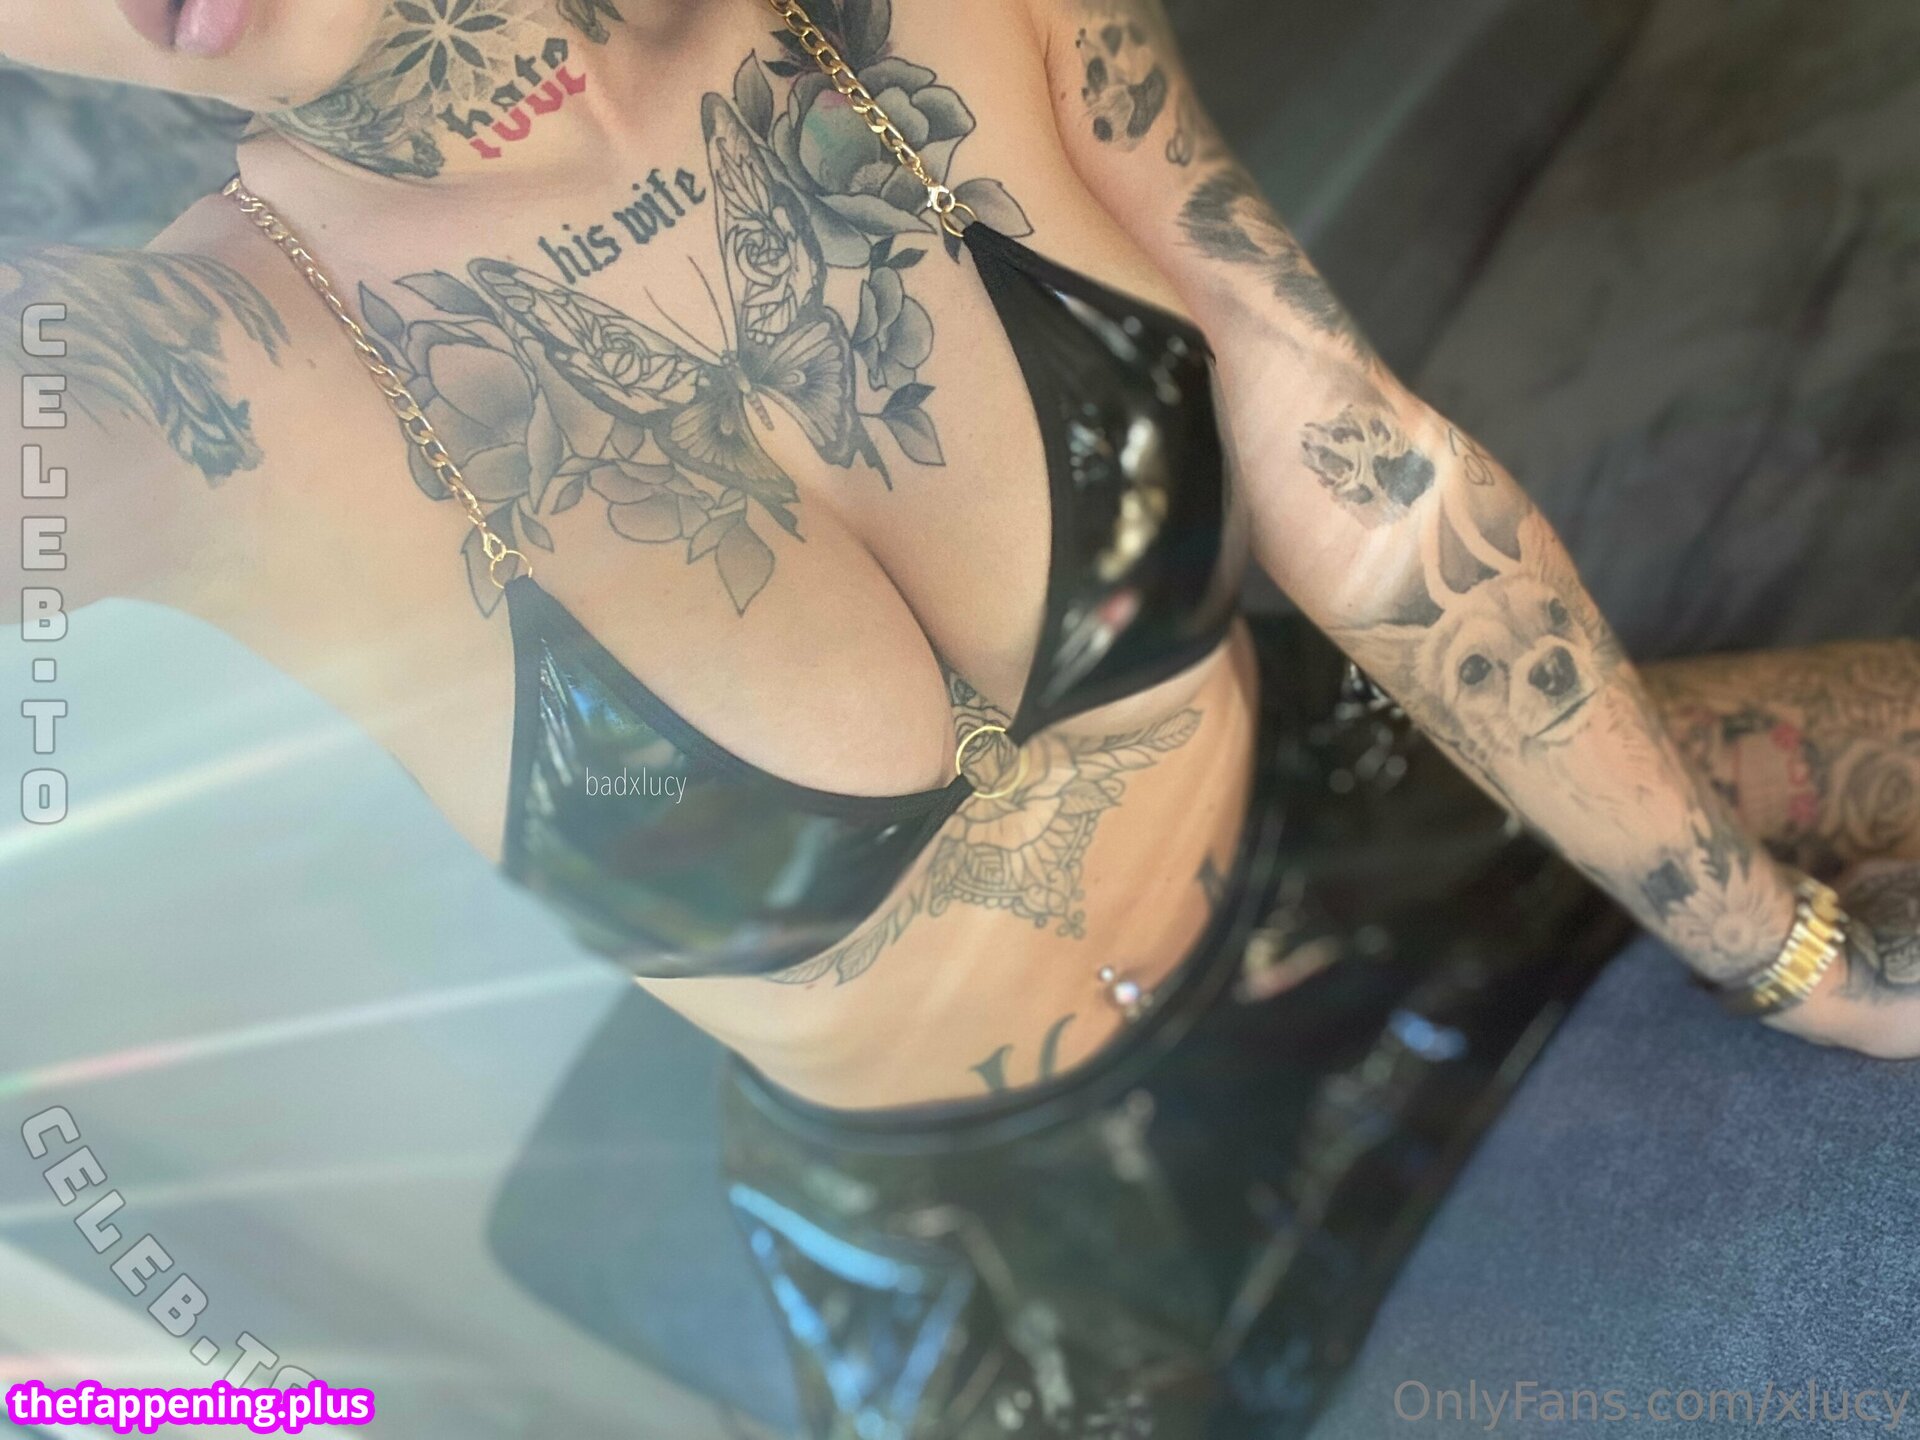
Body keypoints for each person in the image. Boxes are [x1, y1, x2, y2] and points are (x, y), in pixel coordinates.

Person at [5, 0, 1917, 1431]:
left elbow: (1360, 459)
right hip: (1012, 1242)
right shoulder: (151, 386)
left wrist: (1791, 954)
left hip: (1352, 811)